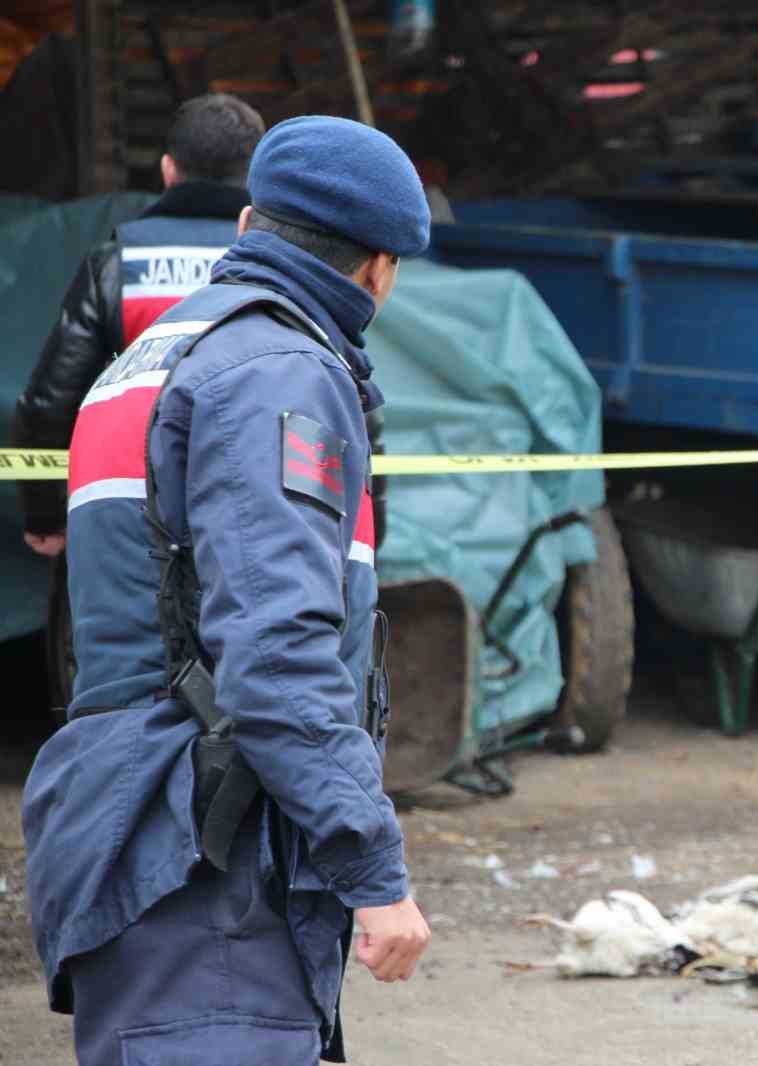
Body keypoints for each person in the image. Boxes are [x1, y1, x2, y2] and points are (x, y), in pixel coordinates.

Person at [22, 115, 432, 1065]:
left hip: (141, 830)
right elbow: (277, 650)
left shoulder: (154, 355)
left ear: (248, 223)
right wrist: (369, 864)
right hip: (207, 862)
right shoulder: (281, 371)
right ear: (380, 270)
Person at [9, 93, 264, 559]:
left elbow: (49, 403)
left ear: (168, 170)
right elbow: (354, 398)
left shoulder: (121, 262)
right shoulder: (288, 266)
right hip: (262, 515)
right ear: (258, 175)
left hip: (137, 524)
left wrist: (46, 517)